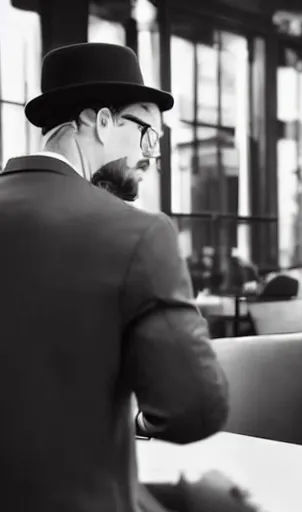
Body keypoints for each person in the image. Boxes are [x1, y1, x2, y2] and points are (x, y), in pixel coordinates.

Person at [0, 43, 229, 511]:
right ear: (101, 121)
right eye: (148, 135)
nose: (152, 156)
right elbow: (194, 411)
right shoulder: (137, 232)